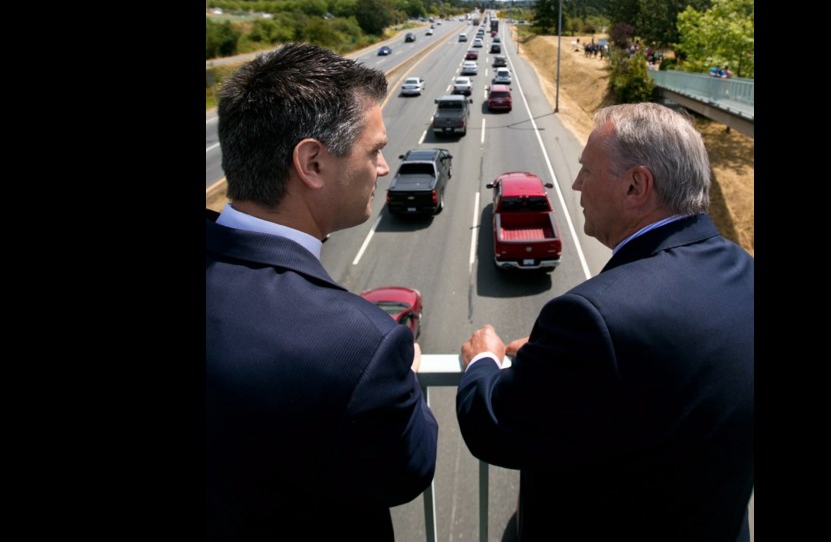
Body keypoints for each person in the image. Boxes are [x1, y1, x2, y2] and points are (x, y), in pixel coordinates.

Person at [456, 102, 754, 541]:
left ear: (636, 185)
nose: (576, 184)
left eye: (587, 172)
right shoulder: (744, 273)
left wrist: (483, 361)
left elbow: (494, 426)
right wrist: (552, 365)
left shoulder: (594, 318)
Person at [206, 42, 438, 540]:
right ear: (312, 163)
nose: (382, 168)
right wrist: (407, 375)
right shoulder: (361, 348)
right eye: (373, 150)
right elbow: (409, 468)